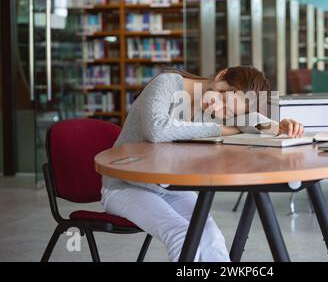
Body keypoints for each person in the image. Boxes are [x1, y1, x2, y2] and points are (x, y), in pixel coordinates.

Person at [100, 65, 304, 262]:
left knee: (212, 237)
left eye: (228, 111)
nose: (217, 108)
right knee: (182, 236)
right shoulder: (167, 84)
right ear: (221, 75)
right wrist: (223, 129)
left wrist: (279, 126)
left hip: (170, 187)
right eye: (223, 97)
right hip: (125, 185)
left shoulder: (211, 111)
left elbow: (248, 120)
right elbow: (157, 130)